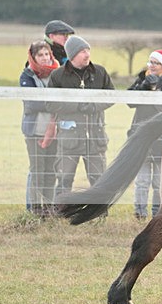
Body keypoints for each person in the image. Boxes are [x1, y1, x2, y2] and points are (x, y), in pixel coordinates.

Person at [46, 35, 115, 196]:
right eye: (82, 51)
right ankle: (60, 209)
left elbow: (112, 97)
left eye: (88, 50)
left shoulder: (100, 72)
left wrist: (94, 106)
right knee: (64, 180)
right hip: (69, 140)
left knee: (99, 181)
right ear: (72, 55)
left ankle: (98, 210)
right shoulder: (58, 76)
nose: (87, 54)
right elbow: (50, 104)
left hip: (95, 138)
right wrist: (76, 106)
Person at [128, 49, 162, 219]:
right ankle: (140, 213)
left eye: (156, 63)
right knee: (142, 181)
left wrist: (156, 90)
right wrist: (143, 87)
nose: (151, 66)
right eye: (150, 62)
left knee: (159, 182)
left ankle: (157, 213)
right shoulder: (142, 78)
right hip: (142, 136)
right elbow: (129, 101)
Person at [20, 40, 60, 215]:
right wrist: (53, 104)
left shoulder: (57, 74)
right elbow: (31, 104)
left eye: (47, 54)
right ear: (33, 57)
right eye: (40, 55)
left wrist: (51, 104)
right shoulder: (27, 76)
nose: (44, 58)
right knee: (38, 171)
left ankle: (48, 208)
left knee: (51, 171)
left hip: (55, 132)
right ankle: (36, 210)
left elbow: (63, 100)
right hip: (35, 132)